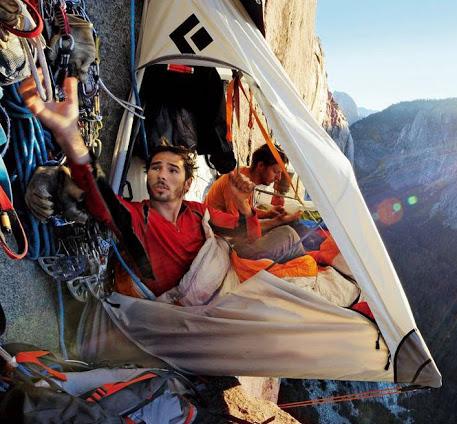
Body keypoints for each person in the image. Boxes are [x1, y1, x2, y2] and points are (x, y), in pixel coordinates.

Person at [19, 74, 271, 296]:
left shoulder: (198, 214)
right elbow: (101, 198)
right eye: (155, 167)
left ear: (187, 183)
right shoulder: (137, 218)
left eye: (173, 170)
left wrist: (242, 205)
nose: (162, 175)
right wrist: (69, 134)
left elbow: (249, 237)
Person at [204, 144, 306, 262]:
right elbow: (241, 230)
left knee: (289, 229)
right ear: (261, 166)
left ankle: (298, 262)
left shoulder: (246, 179)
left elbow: (246, 211)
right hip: (228, 245)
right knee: (289, 234)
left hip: (236, 236)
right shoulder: (237, 184)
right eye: (275, 171)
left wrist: (268, 213)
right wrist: (277, 221)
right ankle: (303, 265)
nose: (278, 178)